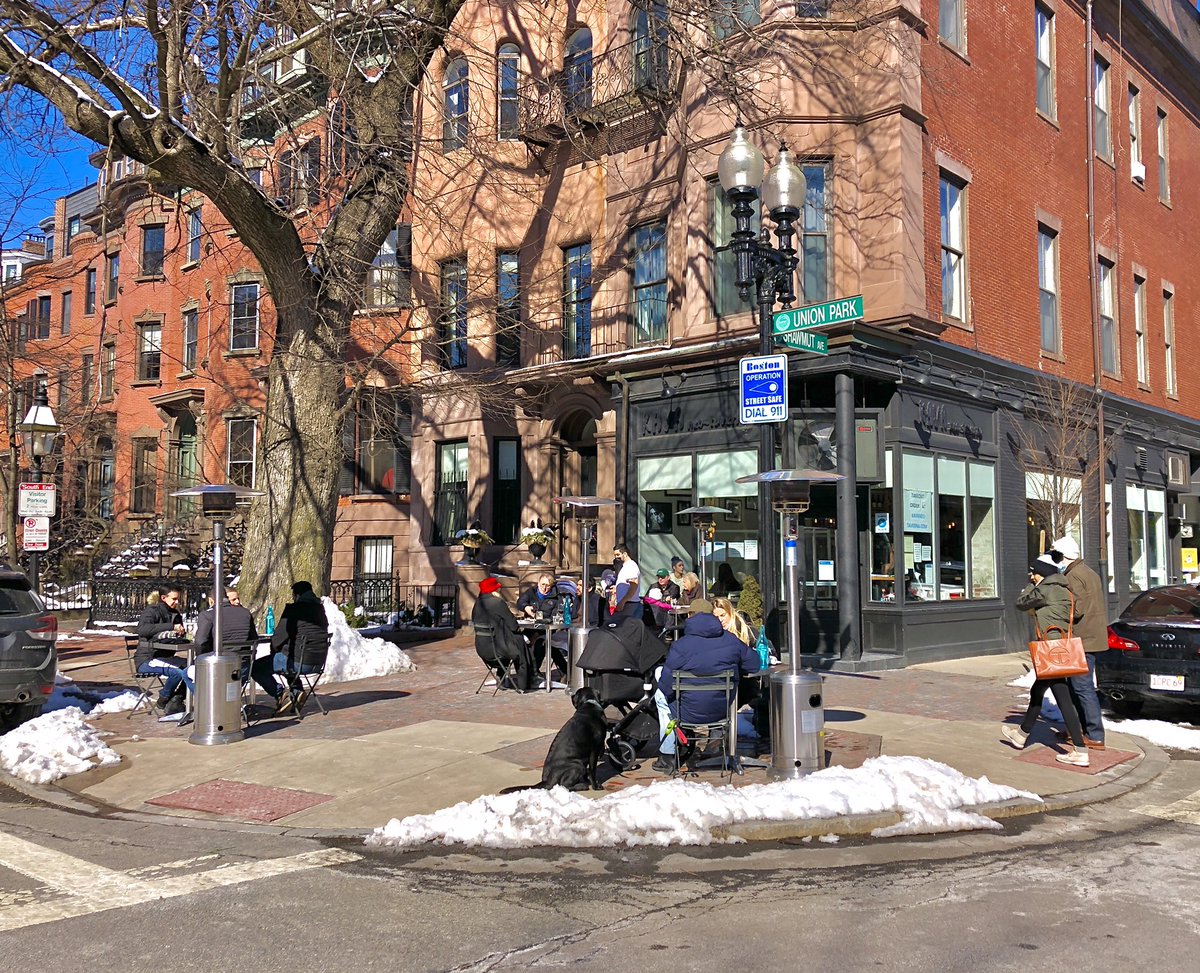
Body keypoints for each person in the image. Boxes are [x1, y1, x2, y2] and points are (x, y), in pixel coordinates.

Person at [652, 598, 762, 773]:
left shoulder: (680, 646)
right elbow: (754, 664)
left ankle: (668, 755)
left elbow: (666, 685)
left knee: (660, 696)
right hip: (722, 709)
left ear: (689, 618)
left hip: (685, 712)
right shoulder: (731, 640)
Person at [1003, 555, 1090, 767]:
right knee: (1039, 691)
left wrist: (1028, 586)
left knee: (1062, 699)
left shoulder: (1046, 589)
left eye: (1033, 573)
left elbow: (1021, 603)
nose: (1032, 576)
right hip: (1060, 648)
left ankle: (1080, 750)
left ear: (1040, 573)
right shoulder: (1064, 589)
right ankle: (1022, 734)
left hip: (1050, 652)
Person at [1051, 535, 1108, 750]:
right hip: (1089, 638)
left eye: (1057, 556)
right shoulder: (1087, 572)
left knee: (1082, 688)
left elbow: (1077, 609)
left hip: (1083, 639)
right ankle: (1081, 729)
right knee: (1079, 687)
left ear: (1065, 556)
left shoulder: (1074, 576)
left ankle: (1093, 734)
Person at [251, 580, 331, 714]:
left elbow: (278, 638)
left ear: (297, 595)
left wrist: (274, 651)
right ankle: (297, 692)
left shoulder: (294, 610)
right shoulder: (319, 609)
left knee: (256, 668)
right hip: (318, 662)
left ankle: (281, 695)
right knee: (286, 658)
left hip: (298, 662)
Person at [472, 576, 538, 692]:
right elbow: (514, 626)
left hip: (482, 648)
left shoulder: (477, 604)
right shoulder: (497, 602)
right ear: (494, 590)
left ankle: (501, 677)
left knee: (516, 642)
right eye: (498, 589)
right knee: (520, 643)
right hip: (499, 648)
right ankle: (525, 683)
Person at [135, 588, 194, 715]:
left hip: (167, 657)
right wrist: (171, 627)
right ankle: (163, 698)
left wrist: (183, 635)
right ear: (163, 598)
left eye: (178, 599)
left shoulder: (175, 614)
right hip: (148, 658)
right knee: (178, 673)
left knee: (195, 668)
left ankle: (177, 699)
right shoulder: (151, 611)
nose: (177, 602)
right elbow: (142, 630)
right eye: (174, 599)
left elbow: (178, 636)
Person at [193, 587, 258, 655]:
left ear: (210, 600)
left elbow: (200, 642)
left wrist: (202, 658)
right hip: (244, 661)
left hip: (218, 662)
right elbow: (254, 639)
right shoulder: (246, 613)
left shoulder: (207, 615)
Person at [610, 544, 642, 621]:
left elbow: (634, 585)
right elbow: (627, 584)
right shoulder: (626, 567)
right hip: (627, 604)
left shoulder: (631, 566)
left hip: (629, 605)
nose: (616, 557)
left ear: (625, 554)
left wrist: (623, 602)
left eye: (618, 554)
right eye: (615, 555)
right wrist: (617, 588)